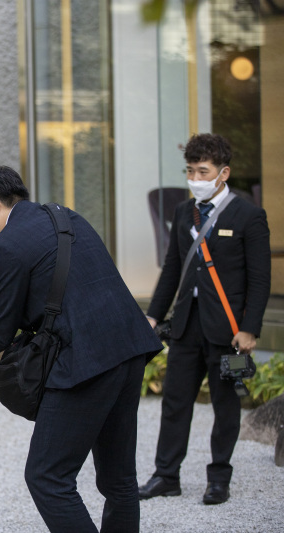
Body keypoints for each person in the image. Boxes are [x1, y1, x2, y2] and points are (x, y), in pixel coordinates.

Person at [0, 161, 162, 533]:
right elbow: (73, 287)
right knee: (118, 480)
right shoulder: (62, 216)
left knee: (46, 477)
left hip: (86, 362)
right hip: (129, 345)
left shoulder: (4, 247)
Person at [139, 133, 271, 505]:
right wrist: (153, 316)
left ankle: (218, 479)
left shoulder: (249, 215)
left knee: (225, 405)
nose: (195, 177)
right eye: (190, 170)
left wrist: (250, 328)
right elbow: (172, 269)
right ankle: (166, 475)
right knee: (175, 401)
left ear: (223, 173)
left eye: (203, 171)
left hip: (227, 330)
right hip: (186, 324)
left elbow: (260, 279)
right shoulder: (184, 213)